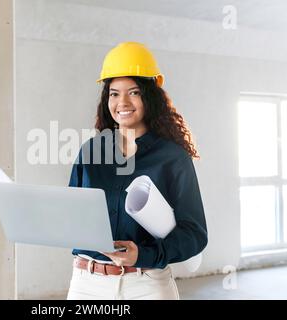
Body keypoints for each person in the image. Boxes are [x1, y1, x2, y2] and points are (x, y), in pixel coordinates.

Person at [66, 42, 208, 300]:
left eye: (133, 92)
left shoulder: (172, 158)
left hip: (146, 285)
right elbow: (70, 213)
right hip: (87, 284)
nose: (123, 102)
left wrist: (142, 254)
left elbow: (195, 235)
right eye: (114, 93)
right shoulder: (91, 151)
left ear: (149, 96)